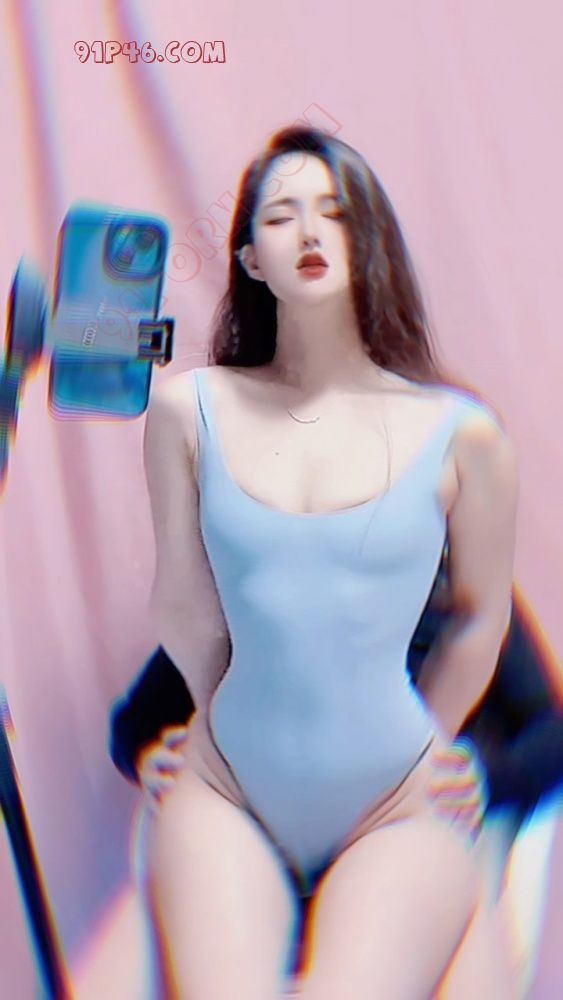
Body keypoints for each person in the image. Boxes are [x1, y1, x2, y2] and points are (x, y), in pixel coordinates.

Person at [141, 124, 519, 999]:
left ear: (369, 237)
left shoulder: (462, 433)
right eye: (281, 216)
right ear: (250, 259)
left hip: (396, 802)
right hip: (225, 789)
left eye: (335, 213)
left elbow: (483, 615)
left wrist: (435, 738)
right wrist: (215, 715)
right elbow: (180, 604)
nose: (310, 232)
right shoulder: (185, 411)